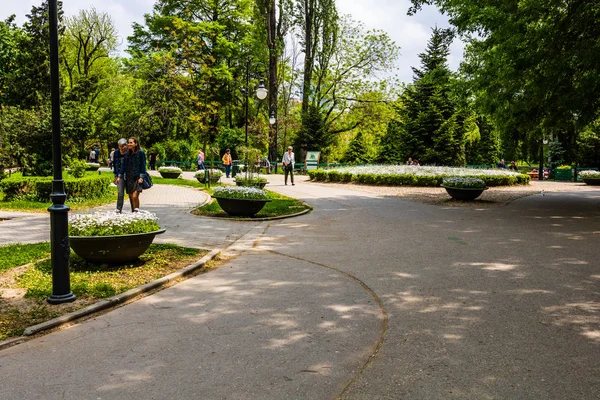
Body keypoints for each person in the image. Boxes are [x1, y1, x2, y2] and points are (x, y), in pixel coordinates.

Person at [118, 137, 147, 212]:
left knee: (135, 196)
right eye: (128, 142)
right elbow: (123, 167)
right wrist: (119, 176)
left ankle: (136, 212)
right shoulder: (126, 154)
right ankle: (133, 212)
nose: (129, 144)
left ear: (136, 144)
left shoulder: (141, 153)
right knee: (131, 196)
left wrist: (141, 177)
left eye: (131, 143)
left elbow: (143, 166)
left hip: (137, 177)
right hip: (129, 177)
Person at [112, 139, 128, 213]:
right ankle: (118, 209)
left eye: (122, 146)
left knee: (131, 194)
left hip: (128, 174)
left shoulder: (129, 152)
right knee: (120, 193)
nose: (121, 148)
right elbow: (115, 164)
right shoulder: (116, 153)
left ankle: (134, 210)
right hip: (119, 175)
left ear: (126, 145)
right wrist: (116, 175)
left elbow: (125, 165)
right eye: (119, 146)